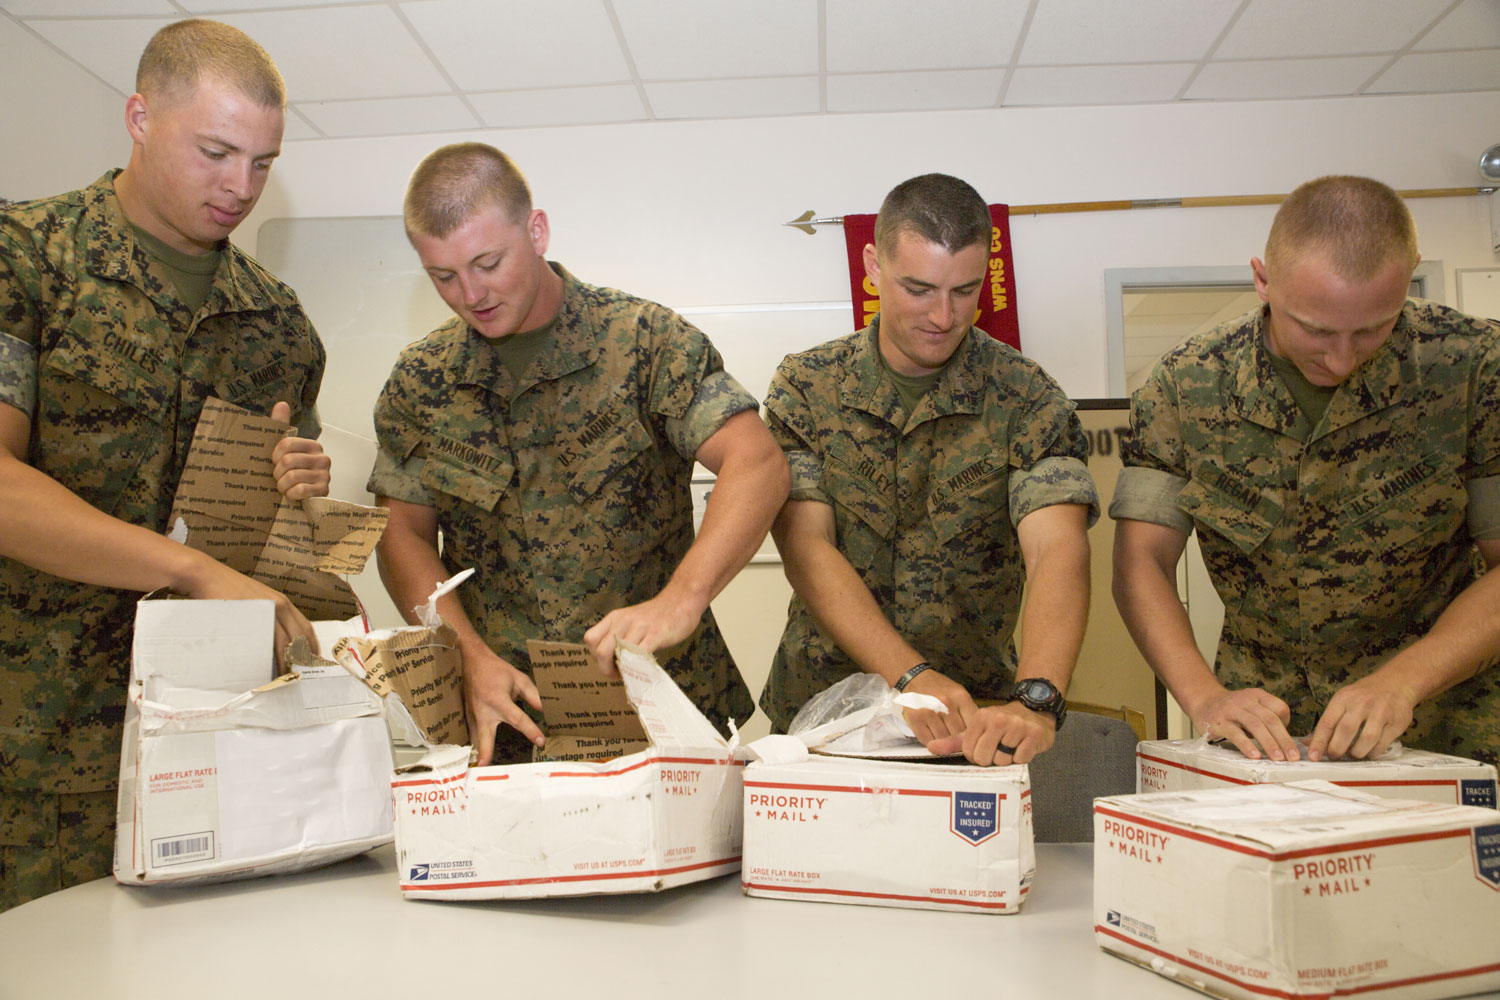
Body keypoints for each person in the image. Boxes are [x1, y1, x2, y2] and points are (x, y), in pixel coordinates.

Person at [0, 19, 330, 911]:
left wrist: (300, 496)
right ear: (140, 117)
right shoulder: (26, 258)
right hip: (31, 747)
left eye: (262, 163)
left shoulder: (280, 322)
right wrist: (192, 570)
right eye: (217, 152)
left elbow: (283, 548)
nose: (240, 188)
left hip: (216, 743)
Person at [369, 143, 789, 766]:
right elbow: (401, 531)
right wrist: (466, 653)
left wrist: (683, 598)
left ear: (535, 231)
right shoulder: (423, 378)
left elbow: (758, 463)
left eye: (488, 263)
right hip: (509, 717)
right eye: (444, 276)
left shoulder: (645, 342)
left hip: (659, 707)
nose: (471, 293)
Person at [1111, 175, 1500, 767]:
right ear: (1262, 279)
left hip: (1446, 728)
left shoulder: (1475, 370)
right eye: (1315, 329)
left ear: (1411, 271)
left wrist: (1405, 681)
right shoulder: (1185, 386)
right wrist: (1205, 697)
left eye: (1373, 328)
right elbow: (1142, 561)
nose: (1341, 359)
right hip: (1267, 741)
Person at [761, 173, 1097, 767]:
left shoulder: (1027, 397)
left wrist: (1038, 698)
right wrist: (910, 674)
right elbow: (806, 546)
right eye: (918, 288)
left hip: (969, 724)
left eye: (965, 291)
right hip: (822, 716)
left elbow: (1056, 550)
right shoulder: (808, 386)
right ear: (872, 263)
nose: (943, 316)